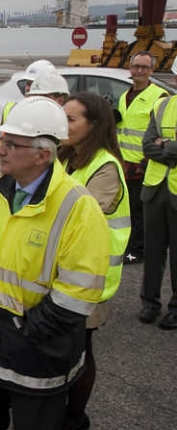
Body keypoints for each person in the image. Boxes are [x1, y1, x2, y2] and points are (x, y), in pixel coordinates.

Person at [0, 97, 109, 430]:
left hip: (38, 356)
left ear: (43, 155)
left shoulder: (78, 207)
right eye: (2, 141)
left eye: (11, 144)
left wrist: (25, 332)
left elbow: (78, 293)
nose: (0, 150)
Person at [59, 92, 131, 430]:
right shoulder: (68, 156)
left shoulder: (106, 167)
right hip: (66, 271)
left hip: (92, 277)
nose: (64, 124)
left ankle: (76, 418)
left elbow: (80, 215)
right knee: (66, 347)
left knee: (81, 350)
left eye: (71, 119)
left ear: (94, 125)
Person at [117, 51, 168, 265]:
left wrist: (146, 161)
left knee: (139, 213)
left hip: (143, 165)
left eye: (144, 67)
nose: (139, 71)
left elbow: (162, 135)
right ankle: (129, 246)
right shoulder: (124, 95)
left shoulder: (159, 97)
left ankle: (137, 250)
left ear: (151, 70)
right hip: (123, 164)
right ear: (130, 68)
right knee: (126, 210)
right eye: (136, 66)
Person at [138, 91, 177, 330]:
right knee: (153, 251)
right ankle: (149, 302)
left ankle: (175, 309)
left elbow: (156, 146)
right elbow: (147, 146)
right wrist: (169, 148)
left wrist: (164, 144)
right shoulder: (162, 105)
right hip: (154, 188)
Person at [0, 59, 56, 124]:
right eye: (28, 84)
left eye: (33, 84)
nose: (28, 89)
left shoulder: (56, 113)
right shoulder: (11, 108)